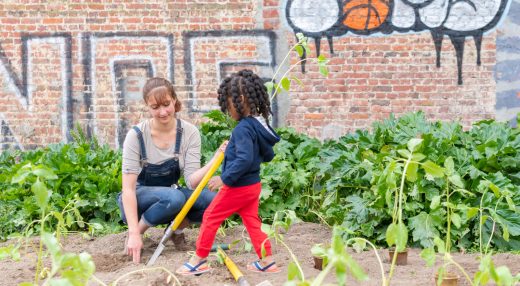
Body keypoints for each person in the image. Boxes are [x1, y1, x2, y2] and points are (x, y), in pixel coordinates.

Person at [176, 69, 281, 275]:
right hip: (253, 185)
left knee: (211, 216)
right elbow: (267, 155)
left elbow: (243, 158)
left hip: (238, 187)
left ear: (240, 100)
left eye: (228, 102)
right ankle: (267, 261)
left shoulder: (243, 128)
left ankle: (199, 260)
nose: (226, 108)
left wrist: (224, 178)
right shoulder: (258, 124)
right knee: (252, 222)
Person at [118, 77, 226, 264]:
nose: (162, 112)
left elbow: (192, 182)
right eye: (155, 107)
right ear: (147, 107)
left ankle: (176, 230)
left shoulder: (189, 132)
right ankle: (137, 235)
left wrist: (215, 159)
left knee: (217, 200)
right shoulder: (136, 136)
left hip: (170, 196)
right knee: (174, 197)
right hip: (139, 199)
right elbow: (128, 189)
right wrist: (134, 233)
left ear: (174, 100)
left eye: (166, 104)